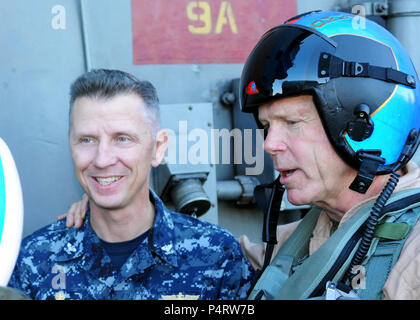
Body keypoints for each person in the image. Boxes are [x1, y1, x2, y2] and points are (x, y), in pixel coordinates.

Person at [57, 11, 420, 300]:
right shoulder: (300, 237)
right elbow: (207, 258)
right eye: (266, 126)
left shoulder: (412, 251)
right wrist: (108, 208)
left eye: (292, 122)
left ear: (364, 124)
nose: (269, 144)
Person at [8, 69, 254, 300]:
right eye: (86, 140)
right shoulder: (34, 260)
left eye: (122, 139)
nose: (102, 159)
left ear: (158, 148)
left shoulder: (217, 257)